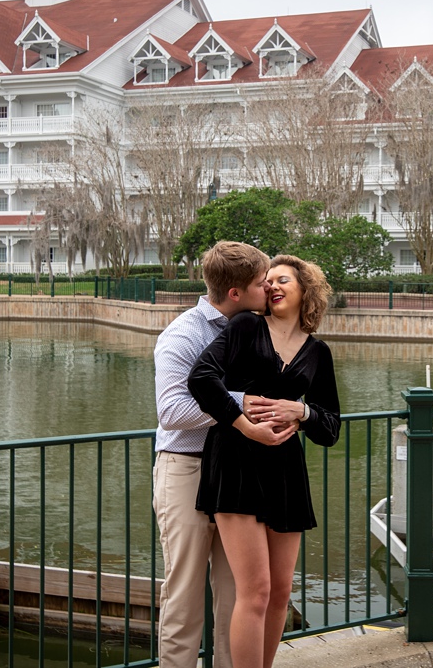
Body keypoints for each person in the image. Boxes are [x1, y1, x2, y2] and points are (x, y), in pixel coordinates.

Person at [188, 255, 342, 668]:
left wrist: (302, 412)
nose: (272, 287)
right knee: (254, 590)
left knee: (279, 592)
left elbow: (330, 428)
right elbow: (201, 378)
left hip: (286, 472)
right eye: (267, 281)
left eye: (282, 280)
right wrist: (243, 424)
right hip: (236, 462)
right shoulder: (246, 327)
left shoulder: (318, 353)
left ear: (305, 290)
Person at [153, 241, 292, 668]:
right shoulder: (184, 333)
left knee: (241, 596)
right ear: (235, 293)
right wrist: (242, 404)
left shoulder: (259, 327)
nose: (268, 288)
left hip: (238, 473)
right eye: (259, 283)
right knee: (185, 595)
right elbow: (172, 411)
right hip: (188, 469)